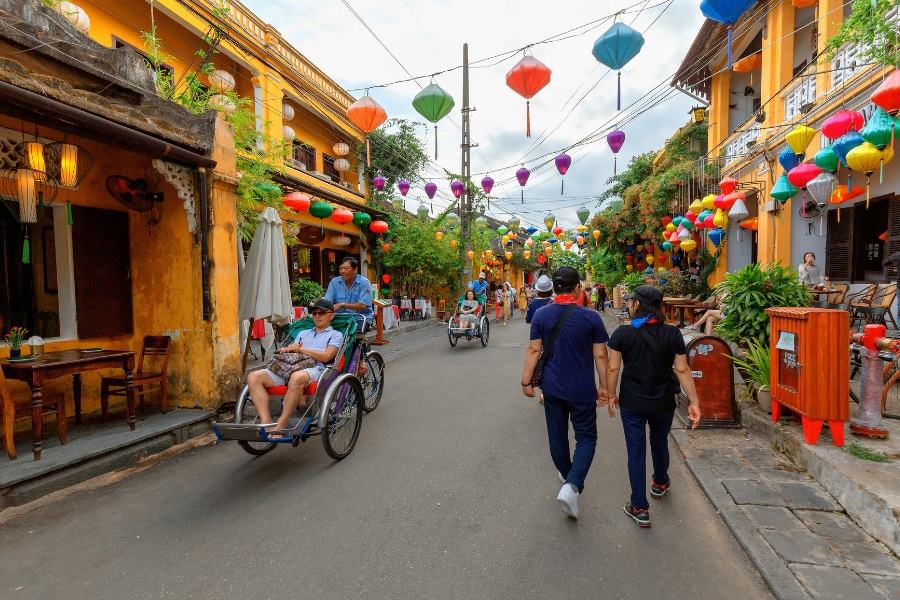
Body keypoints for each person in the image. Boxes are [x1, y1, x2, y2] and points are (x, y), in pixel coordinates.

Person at [605, 285, 701, 528]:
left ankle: (639, 506)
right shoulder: (673, 334)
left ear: (638, 305)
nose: (628, 304)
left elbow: (613, 367)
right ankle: (660, 483)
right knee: (659, 442)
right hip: (663, 400)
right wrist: (694, 402)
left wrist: (610, 394)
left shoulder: (622, 334)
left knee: (636, 452)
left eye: (631, 301)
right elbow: (682, 369)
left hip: (633, 402)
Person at [521, 267, 609, 520]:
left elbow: (533, 350)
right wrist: (605, 388)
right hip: (582, 389)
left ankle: (569, 478)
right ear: (578, 287)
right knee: (586, 438)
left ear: (554, 288)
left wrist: (526, 381)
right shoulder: (591, 317)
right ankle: (572, 485)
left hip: (552, 387)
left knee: (557, 435)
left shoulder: (541, 315)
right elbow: (600, 354)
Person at [246, 298, 343, 435]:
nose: (317, 316)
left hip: (316, 368)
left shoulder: (335, 335)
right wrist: (289, 349)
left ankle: (281, 424)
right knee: (253, 376)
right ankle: (266, 420)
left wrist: (301, 350)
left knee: (297, 377)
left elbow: (326, 356)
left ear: (331, 315)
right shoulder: (303, 333)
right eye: (314, 313)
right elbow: (294, 351)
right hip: (291, 366)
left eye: (321, 313)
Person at [324, 257, 373, 330]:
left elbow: (363, 305)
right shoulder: (334, 282)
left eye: (346, 268)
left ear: (355, 270)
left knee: (350, 333)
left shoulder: (364, 282)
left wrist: (342, 305)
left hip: (360, 318)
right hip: (339, 318)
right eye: (341, 268)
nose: (342, 271)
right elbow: (327, 302)